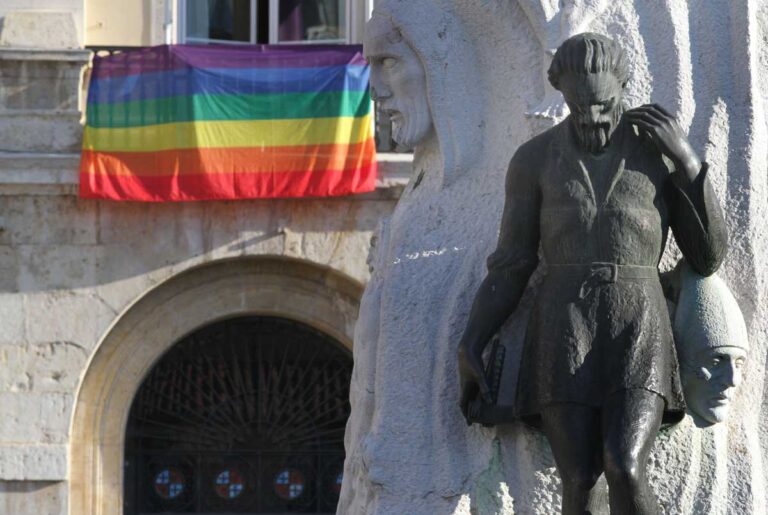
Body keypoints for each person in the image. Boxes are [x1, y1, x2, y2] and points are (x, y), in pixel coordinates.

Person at [458, 33, 728, 514]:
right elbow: (513, 262)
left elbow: (707, 257)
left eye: (604, 104)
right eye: (579, 106)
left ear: (623, 87)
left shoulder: (658, 154)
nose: (593, 117)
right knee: (579, 478)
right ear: (561, 94)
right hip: (564, 327)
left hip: (638, 324)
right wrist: (472, 340)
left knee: (625, 464)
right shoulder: (534, 160)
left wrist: (687, 160)